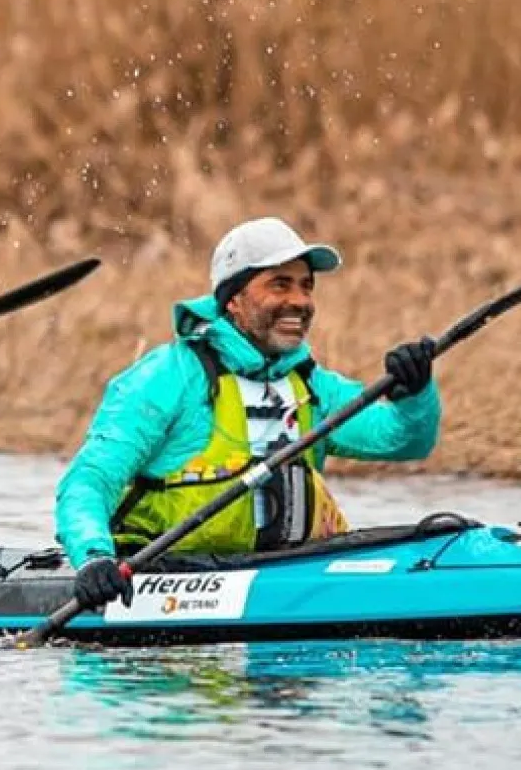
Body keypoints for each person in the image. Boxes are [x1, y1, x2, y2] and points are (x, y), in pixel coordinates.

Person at [53, 217, 442, 611]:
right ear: (234, 300)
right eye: (280, 284)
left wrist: (416, 392)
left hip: (284, 574)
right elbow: (89, 481)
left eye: (306, 286)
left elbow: (404, 440)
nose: (300, 302)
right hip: (164, 579)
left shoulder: (311, 385)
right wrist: (94, 557)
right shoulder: (167, 377)